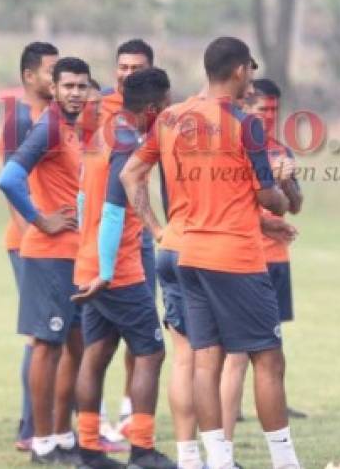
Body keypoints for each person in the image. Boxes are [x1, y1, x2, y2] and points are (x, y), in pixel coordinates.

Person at [149, 37, 300, 469]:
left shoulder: (171, 118)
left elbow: (134, 173)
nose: (251, 77)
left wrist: (159, 228)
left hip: (187, 254)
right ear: (238, 71)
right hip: (234, 256)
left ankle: (214, 460)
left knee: (205, 359)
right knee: (268, 360)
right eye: (249, 70)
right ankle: (285, 462)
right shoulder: (245, 125)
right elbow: (270, 200)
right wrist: (282, 179)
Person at [72, 67, 177, 469]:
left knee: (96, 352)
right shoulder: (127, 142)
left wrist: (88, 251)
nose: (168, 109)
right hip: (117, 270)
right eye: (165, 104)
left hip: (90, 260)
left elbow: (84, 197)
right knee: (150, 353)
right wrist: (106, 271)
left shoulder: (103, 130)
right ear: (151, 108)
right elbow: (114, 211)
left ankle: (88, 450)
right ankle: (142, 450)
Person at [0, 57, 91, 464]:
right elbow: (8, 178)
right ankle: (40, 442)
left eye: (81, 86)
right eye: (67, 85)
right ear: (53, 88)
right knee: (47, 347)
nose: (74, 92)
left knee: (75, 346)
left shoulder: (71, 130)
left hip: (74, 256)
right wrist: (41, 220)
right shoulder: (49, 126)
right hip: (49, 255)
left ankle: (62, 436)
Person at [120, 89, 206, 469]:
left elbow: (129, 174)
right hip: (202, 247)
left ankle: (189, 457)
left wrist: (156, 230)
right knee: (214, 359)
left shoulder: (165, 127)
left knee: (183, 358)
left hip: (170, 245)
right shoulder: (206, 124)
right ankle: (220, 457)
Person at [221, 78, 304, 453]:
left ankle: (271, 403)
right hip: (243, 256)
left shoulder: (280, 148)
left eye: (273, 110)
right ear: (247, 107)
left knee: (271, 346)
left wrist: (289, 183)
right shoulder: (237, 142)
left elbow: (296, 204)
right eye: (261, 109)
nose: (267, 116)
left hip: (275, 257)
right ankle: (226, 430)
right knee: (236, 352)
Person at [0, 41, 58, 451]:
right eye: (51, 71)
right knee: (41, 335)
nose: (57, 78)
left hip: (58, 244)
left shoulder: (55, 118)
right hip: (29, 242)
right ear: (29, 76)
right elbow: (9, 183)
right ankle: (30, 429)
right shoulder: (19, 120)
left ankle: (50, 424)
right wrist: (31, 231)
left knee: (57, 334)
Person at [98, 38, 157, 438]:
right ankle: (93, 420)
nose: (128, 74)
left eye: (137, 68)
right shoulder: (95, 110)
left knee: (139, 336)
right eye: (123, 67)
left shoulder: (158, 115)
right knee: (94, 339)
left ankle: (126, 413)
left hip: (141, 240)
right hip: (104, 235)